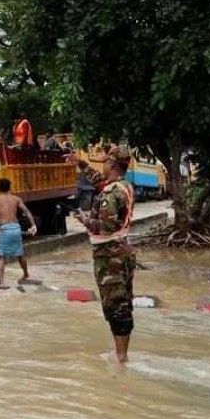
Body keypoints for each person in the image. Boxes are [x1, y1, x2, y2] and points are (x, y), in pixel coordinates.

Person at [73, 145, 136, 363]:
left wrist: (84, 220)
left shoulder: (112, 191)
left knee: (114, 305)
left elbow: (104, 227)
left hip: (110, 255)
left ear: (113, 164)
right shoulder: (123, 186)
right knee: (123, 303)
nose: (103, 164)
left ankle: (121, 357)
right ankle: (122, 353)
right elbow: (98, 181)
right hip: (122, 250)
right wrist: (80, 163)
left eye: (106, 161)